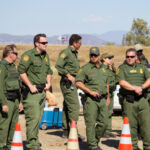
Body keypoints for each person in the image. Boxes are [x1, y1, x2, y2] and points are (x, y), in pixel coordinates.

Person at [18, 33, 53, 150]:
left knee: (38, 119)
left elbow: (49, 70)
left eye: (46, 42)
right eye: (43, 43)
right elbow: (21, 72)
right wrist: (29, 85)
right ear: (36, 43)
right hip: (31, 93)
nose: (46, 44)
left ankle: (34, 141)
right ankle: (32, 145)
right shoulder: (29, 55)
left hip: (42, 92)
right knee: (33, 119)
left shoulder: (45, 55)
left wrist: (49, 83)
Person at [75, 47, 109, 150]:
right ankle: (93, 146)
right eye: (91, 55)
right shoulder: (85, 68)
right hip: (90, 100)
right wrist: (90, 91)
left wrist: (108, 97)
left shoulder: (104, 68)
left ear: (99, 56)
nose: (93, 57)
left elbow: (106, 83)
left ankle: (94, 140)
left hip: (103, 99)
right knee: (90, 124)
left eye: (95, 55)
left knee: (104, 123)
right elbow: (78, 82)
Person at [117, 48, 150, 150]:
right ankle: (134, 147)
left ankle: (147, 146)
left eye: (132, 57)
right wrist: (135, 88)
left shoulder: (142, 67)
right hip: (129, 101)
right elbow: (122, 82)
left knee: (147, 126)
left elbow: (149, 79)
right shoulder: (122, 68)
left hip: (143, 100)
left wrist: (142, 87)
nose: (129, 59)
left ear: (136, 57)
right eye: (127, 57)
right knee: (132, 127)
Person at [55, 34, 84, 140]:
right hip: (67, 83)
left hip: (73, 84)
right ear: (74, 43)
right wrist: (68, 75)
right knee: (74, 106)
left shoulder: (74, 54)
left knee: (67, 106)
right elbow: (58, 66)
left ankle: (66, 130)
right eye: (80, 43)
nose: (81, 45)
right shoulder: (66, 52)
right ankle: (73, 131)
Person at [0, 44, 23, 150]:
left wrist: (20, 101)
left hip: (15, 100)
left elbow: (18, 85)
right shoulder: (2, 66)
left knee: (13, 126)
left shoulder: (13, 67)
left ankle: (9, 147)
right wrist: (3, 103)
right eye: (16, 54)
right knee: (4, 127)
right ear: (10, 54)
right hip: (6, 100)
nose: (17, 56)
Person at [100, 53, 116, 138]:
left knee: (110, 112)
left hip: (111, 92)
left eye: (111, 58)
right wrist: (107, 96)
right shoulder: (102, 69)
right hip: (106, 93)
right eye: (109, 58)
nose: (111, 59)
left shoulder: (109, 69)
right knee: (104, 113)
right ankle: (103, 131)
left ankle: (108, 130)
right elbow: (104, 82)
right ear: (103, 59)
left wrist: (113, 67)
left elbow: (116, 76)